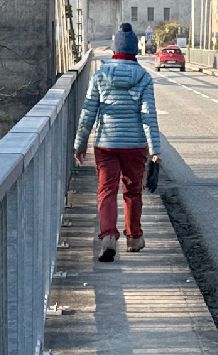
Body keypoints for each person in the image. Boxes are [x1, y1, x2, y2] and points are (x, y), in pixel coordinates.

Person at [75, 23, 164, 263]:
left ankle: (107, 238)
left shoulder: (101, 75)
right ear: (135, 50)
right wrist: (155, 151)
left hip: (106, 144)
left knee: (106, 191)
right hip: (135, 146)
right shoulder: (144, 78)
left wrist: (80, 144)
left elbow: (88, 113)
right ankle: (134, 238)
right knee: (133, 191)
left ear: (115, 49)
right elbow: (148, 117)